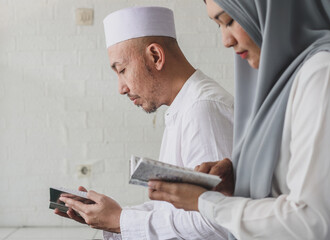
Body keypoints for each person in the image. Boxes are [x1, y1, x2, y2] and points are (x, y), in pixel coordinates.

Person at [148, 0, 330, 239]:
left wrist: (206, 203)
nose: (226, 41)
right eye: (219, 25)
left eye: (229, 21)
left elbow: (311, 221)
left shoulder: (326, 72)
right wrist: (241, 179)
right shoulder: (291, 76)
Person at [55, 6, 234, 240]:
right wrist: (112, 218)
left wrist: (121, 221)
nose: (121, 88)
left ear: (156, 56)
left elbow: (216, 219)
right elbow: (177, 210)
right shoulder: (185, 106)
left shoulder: (203, 109)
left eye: (122, 70)